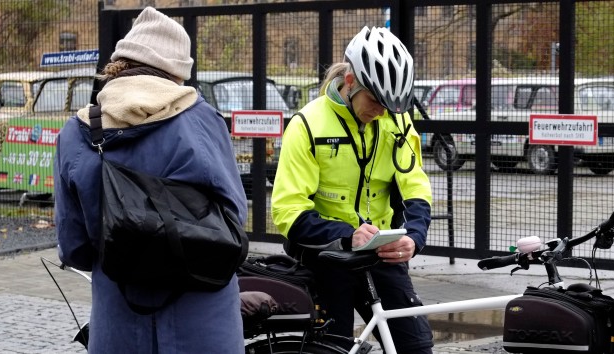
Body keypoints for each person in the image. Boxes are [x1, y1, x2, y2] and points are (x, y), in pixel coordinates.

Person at [54, 7, 246, 353]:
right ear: (176, 72)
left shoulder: (76, 133)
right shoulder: (201, 121)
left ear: (121, 63)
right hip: (202, 323)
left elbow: (74, 246)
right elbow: (234, 221)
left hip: (119, 322)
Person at [271, 26, 433, 353]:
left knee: (416, 346)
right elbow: (287, 211)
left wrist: (413, 238)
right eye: (375, 100)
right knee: (334, 347)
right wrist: (348, 235)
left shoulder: (396, 121)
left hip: (381, 252)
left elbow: (415, 185)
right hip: (326, 255)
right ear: (350, 82)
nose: (382, 112)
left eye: (390, 105)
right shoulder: (307, 124)